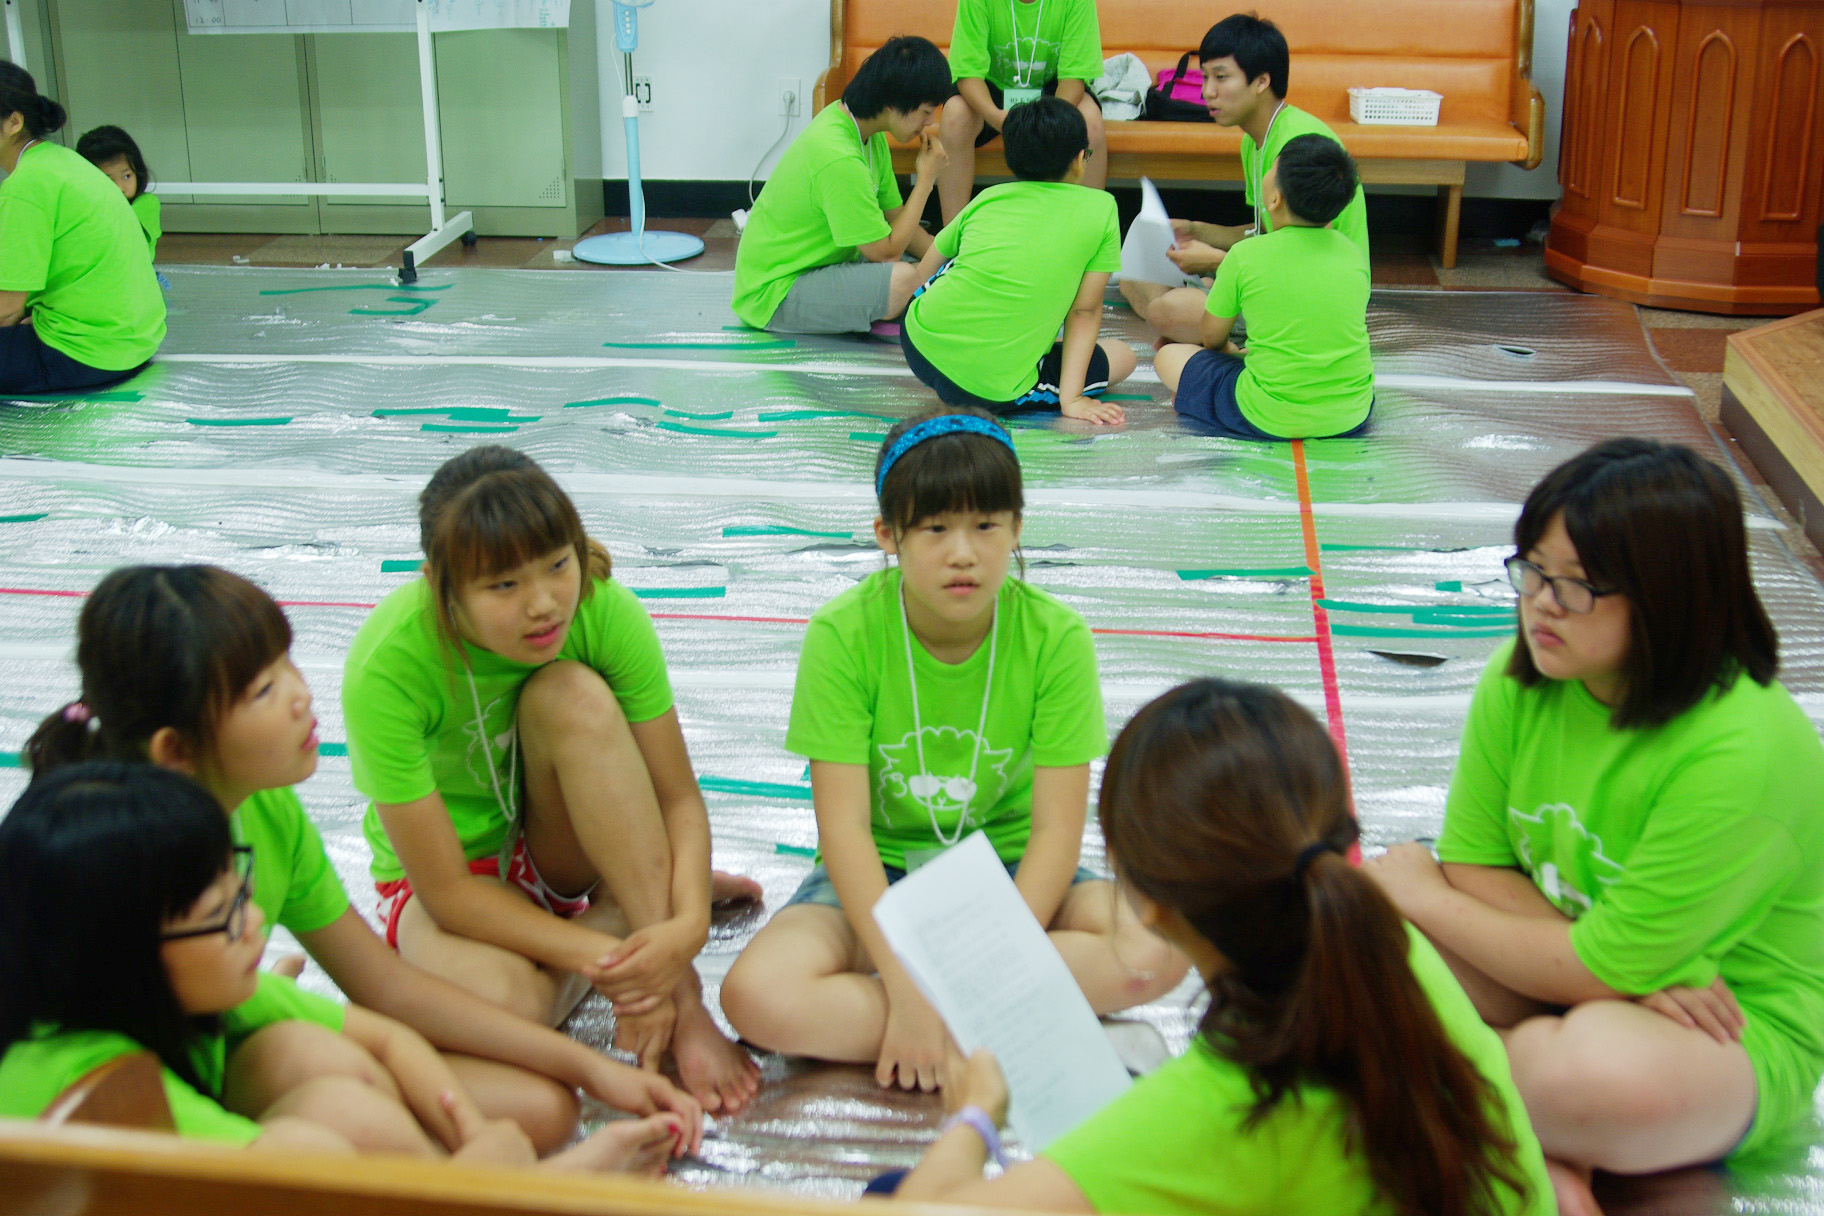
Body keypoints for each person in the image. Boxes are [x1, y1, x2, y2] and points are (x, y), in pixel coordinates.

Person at [21, 563, 705, 1158]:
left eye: (288, 665)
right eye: (263, 691)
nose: (302, 695)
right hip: (155, 1094)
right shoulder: (118, 876)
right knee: (342, 1103)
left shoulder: (267, 811)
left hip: (214, 1046)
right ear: (176, 749)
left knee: (545, 1107)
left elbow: (384, 990)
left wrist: (590, 1070)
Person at [1365, 438, 1824, 1216]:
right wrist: (1610, 973)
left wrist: (1424, 896)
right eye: (1534, 570)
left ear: (1669, 597)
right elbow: (1478, 864)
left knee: (1583, 1077)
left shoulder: (1743, 751)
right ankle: (1535, 1141)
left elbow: (1459, 892)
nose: (1543, 602)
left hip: (1722, 1024)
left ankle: (1465, 1105)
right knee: (1347, 938)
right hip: (1608, 974)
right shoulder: (1524, 676)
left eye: (1578, 585)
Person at [892, 678, 1552, 1215]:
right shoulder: (1386, 946)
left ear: (1150, 904)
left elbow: (919, 1211)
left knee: (891, 1188)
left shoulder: (1227, 1103)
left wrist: (975, 1116)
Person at [719, 408, 1187, 1091]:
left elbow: (1057, 831)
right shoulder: (843, 635)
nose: (963, 553)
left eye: (986, 526)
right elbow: (845, 831)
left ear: (1017, 527)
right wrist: (904, 985)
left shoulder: (1055, 637)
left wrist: (960, 979)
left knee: (1158, 948)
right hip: (882, 872)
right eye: (935, 529)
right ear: (888, 535)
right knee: (756, 995)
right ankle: (1011, 1022)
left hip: (1011, 866)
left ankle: (939, 1024)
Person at [341, 445, 762, 1116]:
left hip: (562, 850)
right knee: (503, 1008)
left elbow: (678, 797)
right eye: (503, 586)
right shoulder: (388, 666)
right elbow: (447, 894)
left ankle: (672, 974)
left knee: (571, 695)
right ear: (439, 585)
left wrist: (682, 944)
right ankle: (627, 907)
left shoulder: (602, 610)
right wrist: (624, 964)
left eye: (558, 565)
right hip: (457, 885)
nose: (542, 604)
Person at [0, 763, 683, 1174]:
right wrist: (539, 1179)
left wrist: (576, 1081)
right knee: (312, 1141)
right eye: (223, 914)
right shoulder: (98, 1086)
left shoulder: (166, 983)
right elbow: (298, 1175)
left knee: (318, 1067)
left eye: (243, 893)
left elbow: (384, 1032)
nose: (253, 921)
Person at [1121, 15, 1369, 345]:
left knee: (1169, 310)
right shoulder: (1253, 141)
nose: (1207, 92)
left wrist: (1217, 262)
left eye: (1221, 77)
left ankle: (1216, 332)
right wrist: (1195, 230)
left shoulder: (1297, 147)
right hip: (1278, 276)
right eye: (1205, 77)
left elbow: (1307, 256)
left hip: (1314, 296)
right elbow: (1266, 231)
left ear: (1262, 81)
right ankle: (1207, 321)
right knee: (1133, 278)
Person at [902, 97, 1134, 426]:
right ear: (1079, 159)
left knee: (963, 266)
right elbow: (1084, 311)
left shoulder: (988, 197)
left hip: (918, 342)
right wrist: (1072, 399)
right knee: (1123, 357)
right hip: (992, 390)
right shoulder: (1103, 208)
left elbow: (925, 271)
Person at [1153, 134, 1372, 440]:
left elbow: (1212, 338)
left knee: (1167, 357)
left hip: (1267, 414)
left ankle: (1203, 402)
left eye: (1271, 169)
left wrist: (1231, 352)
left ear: (1274, 199)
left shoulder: (1245, 255)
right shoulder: (1352, 254)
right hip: (1351, 413)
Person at [731, 36, 952, 335]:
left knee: (922, 266)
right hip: (773, 294)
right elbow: (886, 253)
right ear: (893, 102)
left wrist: (951, 257)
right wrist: (925, 180)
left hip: (818, 267)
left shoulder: (868, 135)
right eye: (926, 112)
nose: (930, 122)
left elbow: (899, 222)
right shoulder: (839, 156)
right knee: (903, 278)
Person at [0, 63, 165, 395]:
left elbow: (6, 311)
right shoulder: (62, 161)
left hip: (84, 354)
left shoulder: (24, 187)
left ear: (14, 122)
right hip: (135, 340)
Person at [936, 0, 1107, 222]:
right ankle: (952, 234)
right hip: (991, 88)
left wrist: (1045, 124)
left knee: (1090, 122)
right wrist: (997, 118)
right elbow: (968, 73)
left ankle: (1090, 229)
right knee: (955, 116)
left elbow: (1073, 78)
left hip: (1052, 90)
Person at [77, 125, 159, 261]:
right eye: (108, 180)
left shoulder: (146, 203)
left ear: (137, 171)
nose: (120, 187)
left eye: (127, 176)